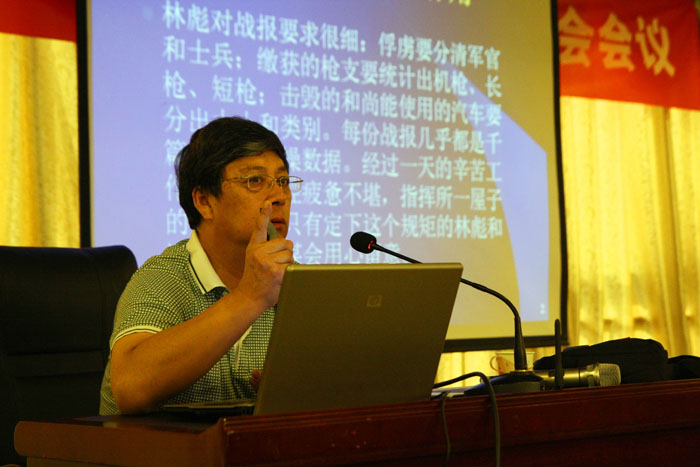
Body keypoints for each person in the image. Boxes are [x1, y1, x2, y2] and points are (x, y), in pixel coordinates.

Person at [99, 117, 299, 415]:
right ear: (204, 201)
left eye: (282, 181)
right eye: (255, 181)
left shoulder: (297, 284)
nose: (280, 196)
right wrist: (250, 296)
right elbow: (130, 388)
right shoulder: (163, 278)